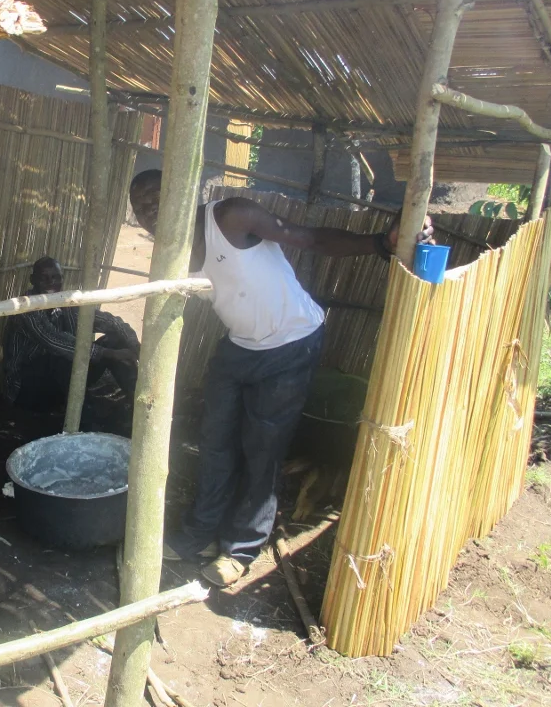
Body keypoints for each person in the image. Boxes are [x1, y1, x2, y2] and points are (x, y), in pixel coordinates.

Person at [128, 169, 434, 587]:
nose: (150, 210)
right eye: (141, 206)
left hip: (292, 342)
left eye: (157, 196)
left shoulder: (231, 217)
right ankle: (199, 534)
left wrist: (381, 244)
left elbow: (310, 239)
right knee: (214, 442)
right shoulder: (170, 252)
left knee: (262, 449)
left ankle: (240, 549)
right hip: (240, 346)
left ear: (182, 191)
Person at [3, 257, 140, 424]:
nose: (51, 283)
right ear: (33, 280)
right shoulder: (26, 308)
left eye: (56, 277)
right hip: (27, 390)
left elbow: (110, 322)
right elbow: (54, 340)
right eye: (44, 278)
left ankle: (137, 402)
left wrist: (135, 346)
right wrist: (109, 354)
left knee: (114, 340)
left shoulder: (66, 302)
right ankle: (86, 421)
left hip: (63, 380)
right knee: (60, 357)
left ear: (62, 279)